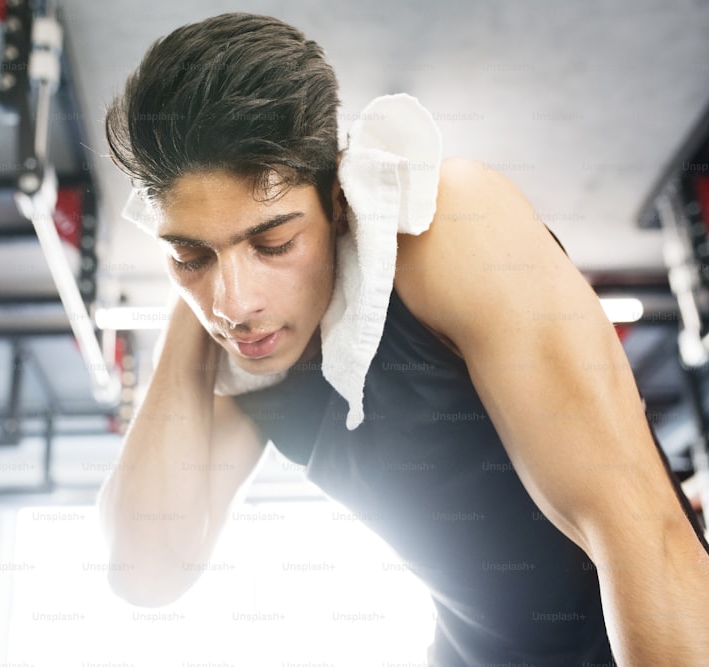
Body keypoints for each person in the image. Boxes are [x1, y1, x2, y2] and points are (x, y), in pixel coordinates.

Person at [97, 12, 709, 666]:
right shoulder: (250, 357)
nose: (237, 304)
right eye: (188, 254)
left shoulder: (446, 229)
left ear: (337, 199)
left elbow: (640, 532)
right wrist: (195, 301)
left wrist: (212, 255)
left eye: (273, 242)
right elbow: (147, 571)